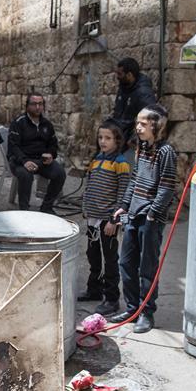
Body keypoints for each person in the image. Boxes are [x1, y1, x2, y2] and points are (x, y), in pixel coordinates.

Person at [109, 105, 177, 333]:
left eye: (143, 124)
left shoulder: (166, 152)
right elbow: (134, 180)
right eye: (138, 123)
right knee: (126, 262)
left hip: (150, 218)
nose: (138, 127)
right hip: (134, 214)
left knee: (147, 267)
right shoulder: (142, 148)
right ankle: (132, 308)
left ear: (156, 126)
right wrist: (123, 206)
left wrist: (152, 213)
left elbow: (167, 187)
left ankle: (146, 314)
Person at [78, 121, 131, 315]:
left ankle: (111, 299)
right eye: (100, 137)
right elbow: (89, 187)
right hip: (92, 218)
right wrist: (85, 208)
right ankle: (94, 289)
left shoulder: (121, 163)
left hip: (108, 221)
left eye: (108, 138)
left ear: (117, 140)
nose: (103, 141)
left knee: (110, 259)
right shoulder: (96, 160)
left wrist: (114, 221)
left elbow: (124, 194)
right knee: (92, 255)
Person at [6, 92, 66, 214]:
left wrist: (51, 154)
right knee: (25, 175)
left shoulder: (47, 124)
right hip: (20, 161)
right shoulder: (18, 123)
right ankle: (24, 211)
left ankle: (47, 206)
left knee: (60, 173)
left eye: (40, 104)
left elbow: (53, 144)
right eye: (34, 104)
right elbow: (13, 147)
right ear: (27, 106)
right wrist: (24, 161)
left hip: (41, 160)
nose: (38, 107)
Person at [111, 57, 157, 148]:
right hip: (119, 136)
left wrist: (135, 138)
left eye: (120, 74)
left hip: (130, 142)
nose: (117, 77)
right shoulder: (123, 87)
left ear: (129, 75)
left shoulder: (143, 93)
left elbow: (149, 117)